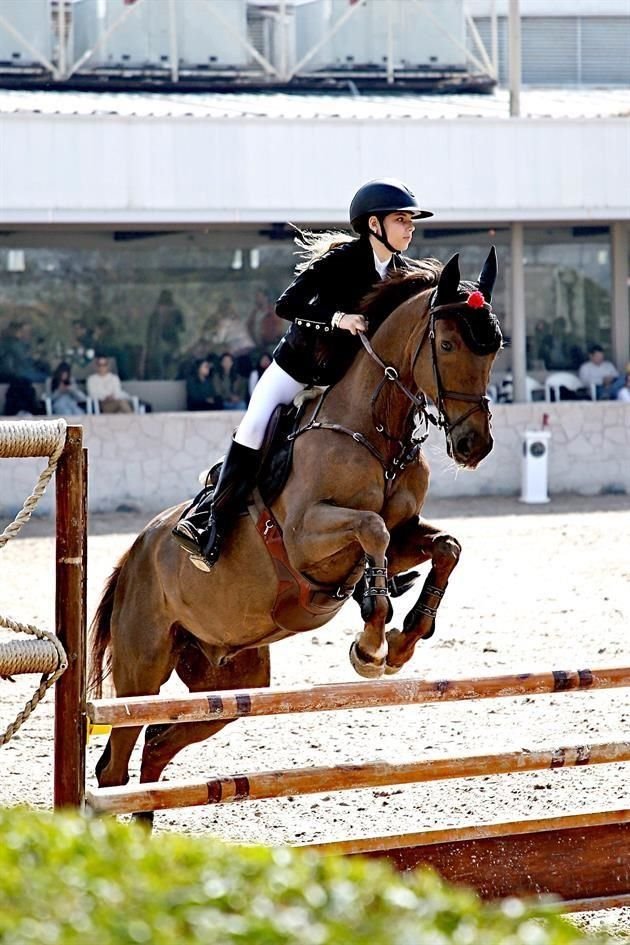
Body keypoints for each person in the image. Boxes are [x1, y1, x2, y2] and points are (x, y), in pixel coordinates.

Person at [172, 177, 433, 570]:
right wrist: (336, 319)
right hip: (299, 368)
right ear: (374, 225)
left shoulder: (402, 273)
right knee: (255, 426)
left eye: (411, 220)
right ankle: (208, 521)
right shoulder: (341, 261)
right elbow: (286, 305)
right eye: (401, 219)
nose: (410, 227)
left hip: (346, 381)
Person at [145, 289, 185, 379]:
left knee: (167, 365)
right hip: (164, 342)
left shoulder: (161, 311)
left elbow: (181, 328)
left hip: (167, 342)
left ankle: (165, 380)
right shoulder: (160, 312)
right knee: (166, 365)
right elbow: (182, 328)